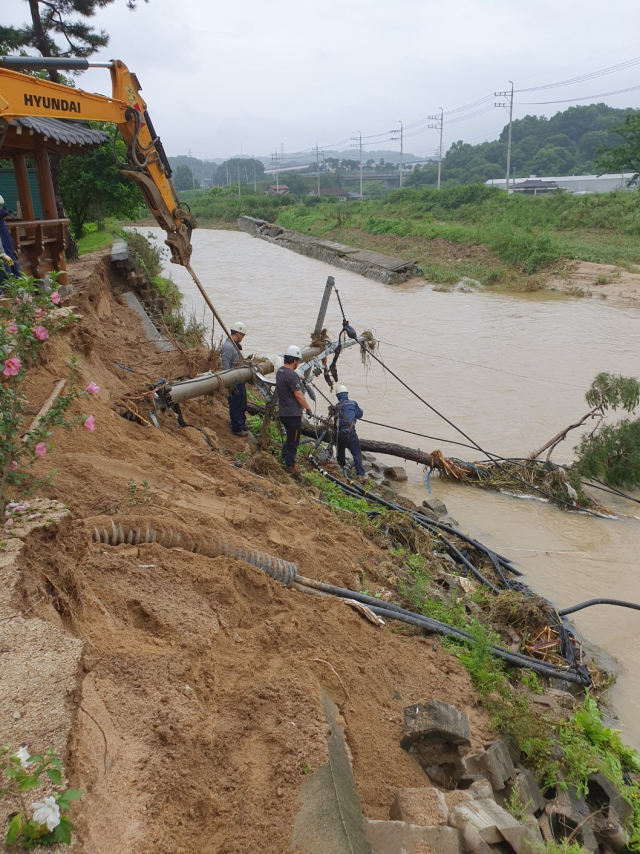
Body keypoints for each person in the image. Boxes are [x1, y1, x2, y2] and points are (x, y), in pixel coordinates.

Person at [276, 345, 312, 474]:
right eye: (298, 361)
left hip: (283, 412)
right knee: (294, 440)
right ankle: (290, 466)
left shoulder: (280, 372)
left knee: (291, 437)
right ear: (295, 360)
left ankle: (284, 456)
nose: (298, 364)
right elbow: (298, 394)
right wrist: (308, 408)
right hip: (292, 414)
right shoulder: (292, 376)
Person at [221, 321, 249, 437]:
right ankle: (236, 428)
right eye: (242, 335)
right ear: (238, 334)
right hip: (233, 380)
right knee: (236, 404)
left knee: (242, 402)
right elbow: (225, 364)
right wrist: (228, 382)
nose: (242, 338)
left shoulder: (234, 346)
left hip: (238, 378)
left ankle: (241, 423)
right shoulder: (228, 347)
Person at [334, 384, 366, 477]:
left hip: (340, 433)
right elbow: (360, 414)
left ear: (337, 396)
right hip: (350, 433)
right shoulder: (353, 403)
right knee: (356, 453)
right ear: (347, 394)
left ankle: (341, 468)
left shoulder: (336, 406)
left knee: (340, 450)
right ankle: (360, 474)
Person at [0, 196, 20, 287]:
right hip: (3, 250)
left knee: (15, 272)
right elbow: (4, 212)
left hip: (7, 248)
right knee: (6, 274)